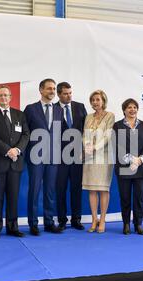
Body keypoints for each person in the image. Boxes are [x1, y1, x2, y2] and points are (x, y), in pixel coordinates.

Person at [0, 86, 29, 239]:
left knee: (13, 197)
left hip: (15, 162)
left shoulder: (20, 114)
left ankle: (13, 227)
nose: (3, 98)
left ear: (10, 97)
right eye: (0, 95)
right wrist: (7, 150)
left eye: (5, 95)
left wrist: (17, 150)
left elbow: (26, 134)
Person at [24, 78, 63, 235]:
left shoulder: (59, 110)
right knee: (34, 190)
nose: (52, 91)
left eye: (54, 89)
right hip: (35, 156)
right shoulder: (30, 109)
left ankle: (48, 222)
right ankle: (33, 223)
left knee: (50, 191)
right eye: (49, 88)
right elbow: (25, 134)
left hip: (53, 157)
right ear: (41, 90)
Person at [113, 98, 143, 235]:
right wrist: (132, 159)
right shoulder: (117, 126)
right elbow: (118, 146)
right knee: (125, 197)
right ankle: (126, 224)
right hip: (124, 167)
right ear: (124, 110)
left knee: (139, 196)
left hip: (141, 167)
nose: (132, 109)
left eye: (134, 107)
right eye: (129, 107)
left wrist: (140, 160)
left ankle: (138, 224)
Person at [55, 82, 87, 231]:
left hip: (78, 156)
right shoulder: (52, 109)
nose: (69, 96)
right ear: (59, 94)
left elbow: (87, 129)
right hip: (59, 157)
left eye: (70, 93)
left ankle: (76, 219)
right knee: (60, 189)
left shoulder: (80, 107)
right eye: (65, 93)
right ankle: (62, 220)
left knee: (76, 189)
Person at [82, 90, 115, 233]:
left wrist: (96, 147)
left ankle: (102, 220)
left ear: (103, 101)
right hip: (89, 156)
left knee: (103, 188)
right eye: (93, 100)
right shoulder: (88, 117)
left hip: (104, 156)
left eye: (98, 99)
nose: (95, 102)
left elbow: (107, 136)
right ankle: (94, 219)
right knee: (92, 189)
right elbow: (85, 134)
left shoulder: (110, 116)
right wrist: (87, 146)